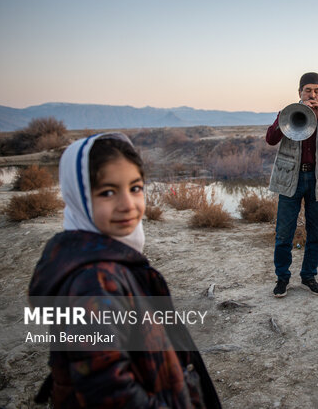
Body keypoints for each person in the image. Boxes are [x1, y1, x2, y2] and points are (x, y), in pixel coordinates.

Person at [29, 133, 220, 408]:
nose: (128, 205)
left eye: (135, 188)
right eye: (107, 192)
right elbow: (109, 392)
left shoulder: (109, 261)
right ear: (78, 195)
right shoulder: (93, 281)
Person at [266, 72, 318, 297]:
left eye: (317, 90)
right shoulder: (287, 113)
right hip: (290, 179)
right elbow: (270, 139)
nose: (312, 94)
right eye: (308, 90)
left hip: (317, 180)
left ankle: (309, 276)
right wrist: (284, 118)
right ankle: (282, 279)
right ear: (299, 92)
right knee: (284, 233)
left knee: (317, 233)